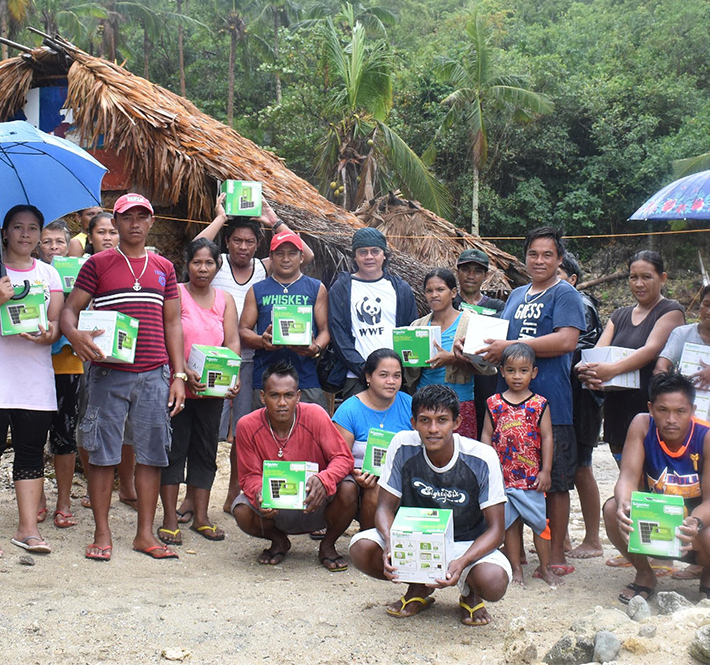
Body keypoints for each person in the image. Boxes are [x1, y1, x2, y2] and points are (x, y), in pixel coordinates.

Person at [61, 193, 186, 562]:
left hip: (153, 373)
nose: (134, 223)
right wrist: (76, 335)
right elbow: (70, 311)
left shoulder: (164, 267)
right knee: (102, 454)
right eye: (126, 216)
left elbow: (173, 322)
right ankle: (102, 533)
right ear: (114, 222)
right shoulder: (97, 264)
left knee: (151, 455)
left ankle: (144, 534)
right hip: (107, 372)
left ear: (150, 222)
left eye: (141, 216)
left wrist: (177, 374)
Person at [471, 227, 586, 576]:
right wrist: (481, 349)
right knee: (512, 483)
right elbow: (504, 341)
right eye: (533, 254)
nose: (539, 260)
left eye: (547, 254)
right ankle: (515, 556)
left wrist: (511, 347)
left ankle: (555, 558)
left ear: (559, 259)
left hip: (551, 402)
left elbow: (567, 341)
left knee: (554, 482)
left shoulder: (565, 294)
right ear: (525, 258)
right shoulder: (518, 294)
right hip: (508, 407)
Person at [349, 384, 511, 626]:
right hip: (416, 539)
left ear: (456, 422)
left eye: (442, 420)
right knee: (361, 548)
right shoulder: (402, 445)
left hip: (466, 544)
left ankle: (471, 591)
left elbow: (497, 530)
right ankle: (418, 587)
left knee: (494, 581)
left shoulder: (482, 456)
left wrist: (463, 561)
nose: (433, 429)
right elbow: (384, 507)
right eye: (425, 420)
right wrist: (391, 542)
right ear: (414, 422)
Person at [195, 195, 314, 517]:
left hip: (254, 360)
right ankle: (193, 498)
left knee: (243, 431)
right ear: (227, 242)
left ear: (259, 246)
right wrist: (220, 216)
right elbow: (195, 247)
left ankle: (234, 491)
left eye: (249, 241)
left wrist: (272, 218)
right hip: (216, 358)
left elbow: (307, 253)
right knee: (208, 430)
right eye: (236, 240)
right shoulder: (215, 262)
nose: (243, 247)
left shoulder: (265, 267)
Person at [232, 361, 357, 570]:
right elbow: (248, 476)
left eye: (288, 395)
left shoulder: (315, 415)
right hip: (276, 506)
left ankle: (328, 544)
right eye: (274, 395)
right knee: (241, 509)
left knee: (349, 487)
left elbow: (343, 458)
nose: (282, 402)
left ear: (298, 396)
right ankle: (279, 540)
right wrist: (259, 494)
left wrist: (323, 479)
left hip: (316, 501)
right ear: (263, 397)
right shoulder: (247, 425)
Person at [157, 239, 241, 545]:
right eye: (197, 262)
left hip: (212, 391)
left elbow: (232, 341)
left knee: (206, 452)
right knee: (173, 451)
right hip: (178, 388)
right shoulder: (176, 293)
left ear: (218, 266)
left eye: (209, 263)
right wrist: (182, 371)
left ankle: (202, 517)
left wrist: (234, 373)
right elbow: (167, 334)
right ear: (187, 264)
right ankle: (168, 518)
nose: (202, 269)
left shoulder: (225, 300)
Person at [603, 372, 710, 603]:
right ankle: (644, 574)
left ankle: (708, 576)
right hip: (657, 519)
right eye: (663, 410)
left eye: (680, 411)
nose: (671, 419)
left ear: (692, 410)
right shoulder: (642, 425)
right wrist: (624, 502)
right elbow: (628, 477)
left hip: (695, 527)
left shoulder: (706, 436)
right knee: (613, 510)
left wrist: (695, 522)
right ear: (651, 408)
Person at [577, 251, 685, 464]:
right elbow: (597, 352)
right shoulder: (619, 315)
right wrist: (586, 370)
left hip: (651, 411)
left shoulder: (671, 311)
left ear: (662, 278)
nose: (639, 283)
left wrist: (612, 370)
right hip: (617, 412)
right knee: (628, 483)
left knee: (653, 484)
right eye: (633, 277)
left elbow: (650, 350)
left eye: (647, 277)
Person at [0, 205, 63, 554]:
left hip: (34, 380)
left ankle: (27, 530)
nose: (25, 234)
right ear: (5, 232)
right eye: (18, 227)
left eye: (32, 228)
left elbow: (55, 324)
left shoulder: (48, 274)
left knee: (30, 454)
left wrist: (46, 336)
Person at [480, 343, 556, 586]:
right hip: (504, 479)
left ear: (533, 372)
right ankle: (516, 569)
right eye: (511, 370)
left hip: (532, 480)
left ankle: (545, 568)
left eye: (523, 371)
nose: (517, 376)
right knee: (510, 526)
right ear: (502, 371)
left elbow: (547, 437)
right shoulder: (493, 403)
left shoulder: (539, 404)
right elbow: (486, 435)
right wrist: (489, 469)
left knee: (540, 526)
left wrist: (546, 471)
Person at [239, 230, 330, 410]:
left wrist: (315, 348)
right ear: (271, 257)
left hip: (305, 377)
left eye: (292, 253)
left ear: (301, 257)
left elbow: (325, 330)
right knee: (265, 434)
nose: (286, 259)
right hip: (266, 377)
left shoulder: (316, 288)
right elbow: (243, 330)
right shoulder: (257, 290)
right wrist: (262, 341)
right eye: (279, 254)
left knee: (311, 432)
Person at [328, 227, 418, 398]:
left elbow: (410, 331)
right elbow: (339, 336)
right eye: (363, 252)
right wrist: (365, 370)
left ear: (384, 255)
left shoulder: (400, 289)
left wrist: (396, 371)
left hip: (394, 378)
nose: (369, 257)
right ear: (354, 256)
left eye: (375, 251)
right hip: (356, 377)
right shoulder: (341, 288)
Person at [557, 252, 605, 560]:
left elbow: (583, 350)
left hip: (581, 398)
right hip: (565, 395)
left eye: (559, 272)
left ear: (573, 279)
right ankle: (561, 540)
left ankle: (592, 539)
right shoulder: (553, 302)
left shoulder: (580, 304)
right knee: (561, 468)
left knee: (582, 467)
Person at [332, 349, 413, 529]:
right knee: (366, 489)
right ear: (368, 377)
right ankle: (360, 542)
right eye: (383, 375)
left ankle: (377, 543)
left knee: (381, 488)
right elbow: (338, 457)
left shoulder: (409, 405)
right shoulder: (349, 410)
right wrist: (356, 473)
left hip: (400, 476)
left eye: (397, 376)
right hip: (358, 476)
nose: (391, 382)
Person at [36, 220, 81, 528]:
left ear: (69, 245)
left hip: (68, 363)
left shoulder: (81, 274)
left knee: (65, 436)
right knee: (34, 437)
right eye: (47, 241)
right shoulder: (32, 276)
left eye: (59, 242)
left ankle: (64, 501)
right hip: (34, 363)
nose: (53, 247)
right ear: (39, 246)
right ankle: (37, 498)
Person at [406, 269, 480, 438]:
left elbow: (484, 367)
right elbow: (410, 370)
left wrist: (452, 359)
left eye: (440, 289)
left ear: (453, 292)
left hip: (460, 402)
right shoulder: (417, 326)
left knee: (461, 456)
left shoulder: (469, 322)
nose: (434, 295)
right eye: (429, 291)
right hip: (425, 403)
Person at [453, 248, 506, 437]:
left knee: (487, 428)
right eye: (466, 269)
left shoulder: (497, 307)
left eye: (477, 271)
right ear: (457, 271)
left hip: (487, 381)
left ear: (485, 276)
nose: (471, 276)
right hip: (455, 381)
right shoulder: (448, 304)